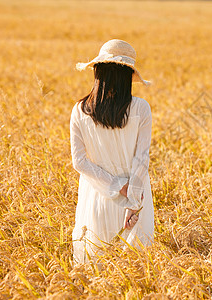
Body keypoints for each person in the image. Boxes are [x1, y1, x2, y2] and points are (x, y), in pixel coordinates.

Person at [70, 39, 154, 264]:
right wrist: (133, 200)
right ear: (128, 77)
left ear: (97, 72)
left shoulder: (80, 111)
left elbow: (79, 162)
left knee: (93, 268)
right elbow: (141, 159)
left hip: (97, 196)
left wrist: (117, 186)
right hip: (135, 197)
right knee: (135, 271)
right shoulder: (140, 108)